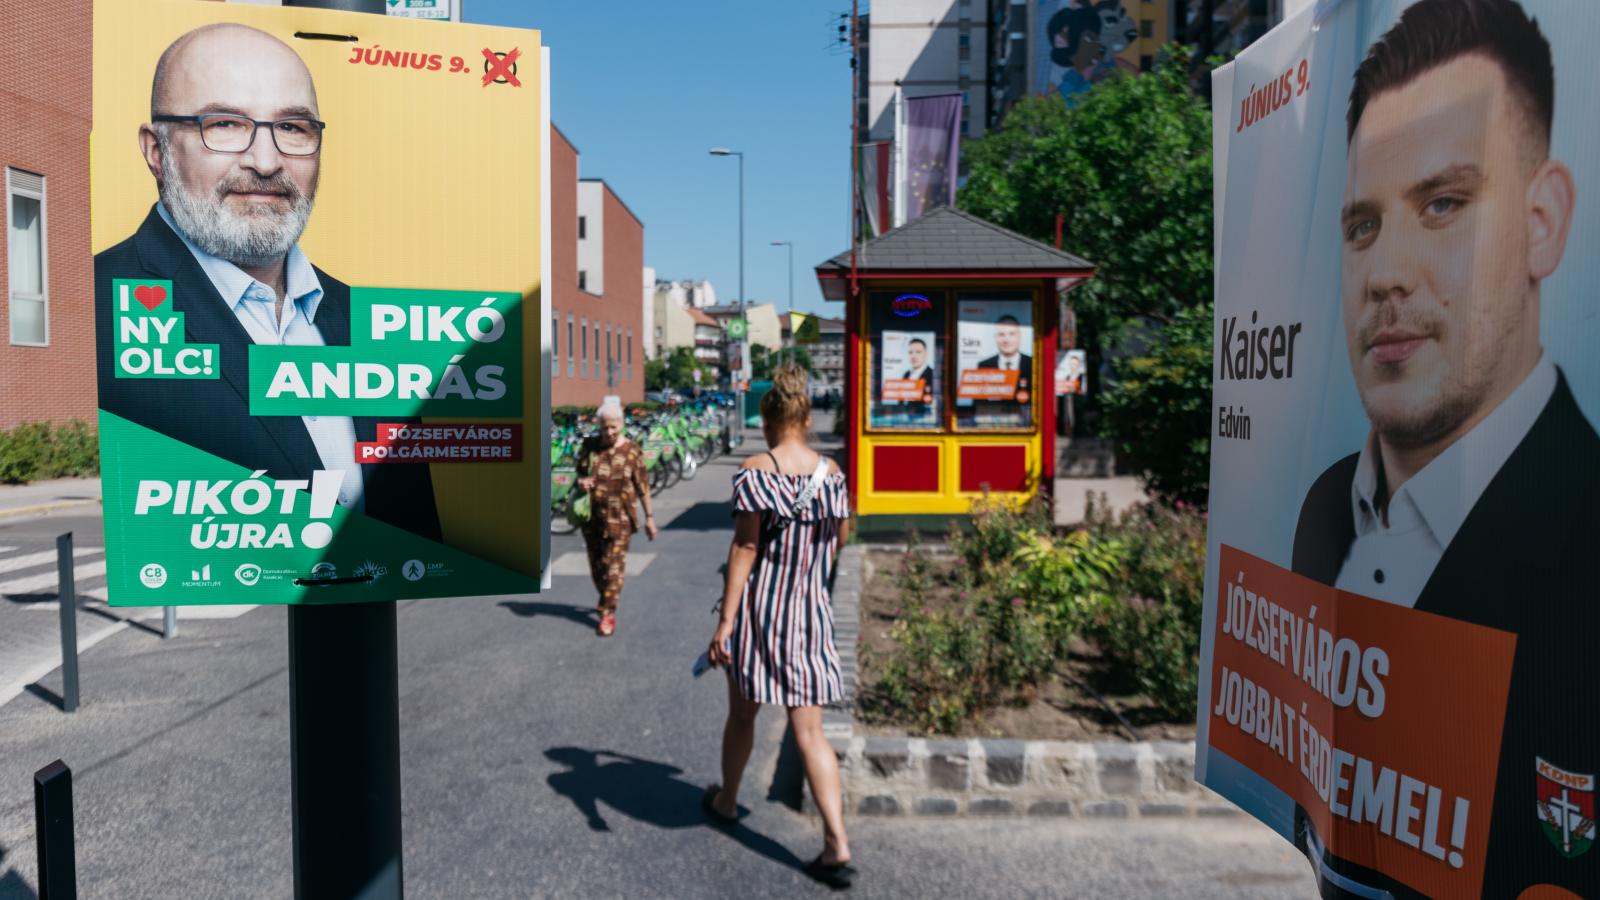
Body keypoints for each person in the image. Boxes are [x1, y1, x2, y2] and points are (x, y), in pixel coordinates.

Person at [1289, 1, 1595, 895]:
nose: (1384, 273)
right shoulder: (1322, 507)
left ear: (1543, 221)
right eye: (1363, 226)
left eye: (1444, 204)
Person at [93, 23, 439, 540]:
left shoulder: (371, 325)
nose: (266, 161)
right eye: (225, 124)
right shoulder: (93, 310)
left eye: (293, 128)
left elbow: (412, 530)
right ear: (156, 151)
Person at [703, 367, 856, 889]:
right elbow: (840, 541)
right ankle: (837, 841)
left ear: (767, 420)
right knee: (810, 732)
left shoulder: (756, 471)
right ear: (808, 420)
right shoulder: (832, 475)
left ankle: (727, 801)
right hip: (809, 614)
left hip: (760, 613)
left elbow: (745, 547)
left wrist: (726, 621)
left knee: (742, 715)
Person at [577, 402, 656, 637]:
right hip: (592, 519)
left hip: (620, 520)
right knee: (598, 568)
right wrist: (582, 482)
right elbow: (579, 473)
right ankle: (606, 598)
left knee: (614, 569)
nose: (609, 432)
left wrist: (649, 517)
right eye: (604, 428)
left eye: (613, 427)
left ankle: (607, 612)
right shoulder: (590, 446)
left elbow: (643, 487)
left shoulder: (632, 450)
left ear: (621, 424)